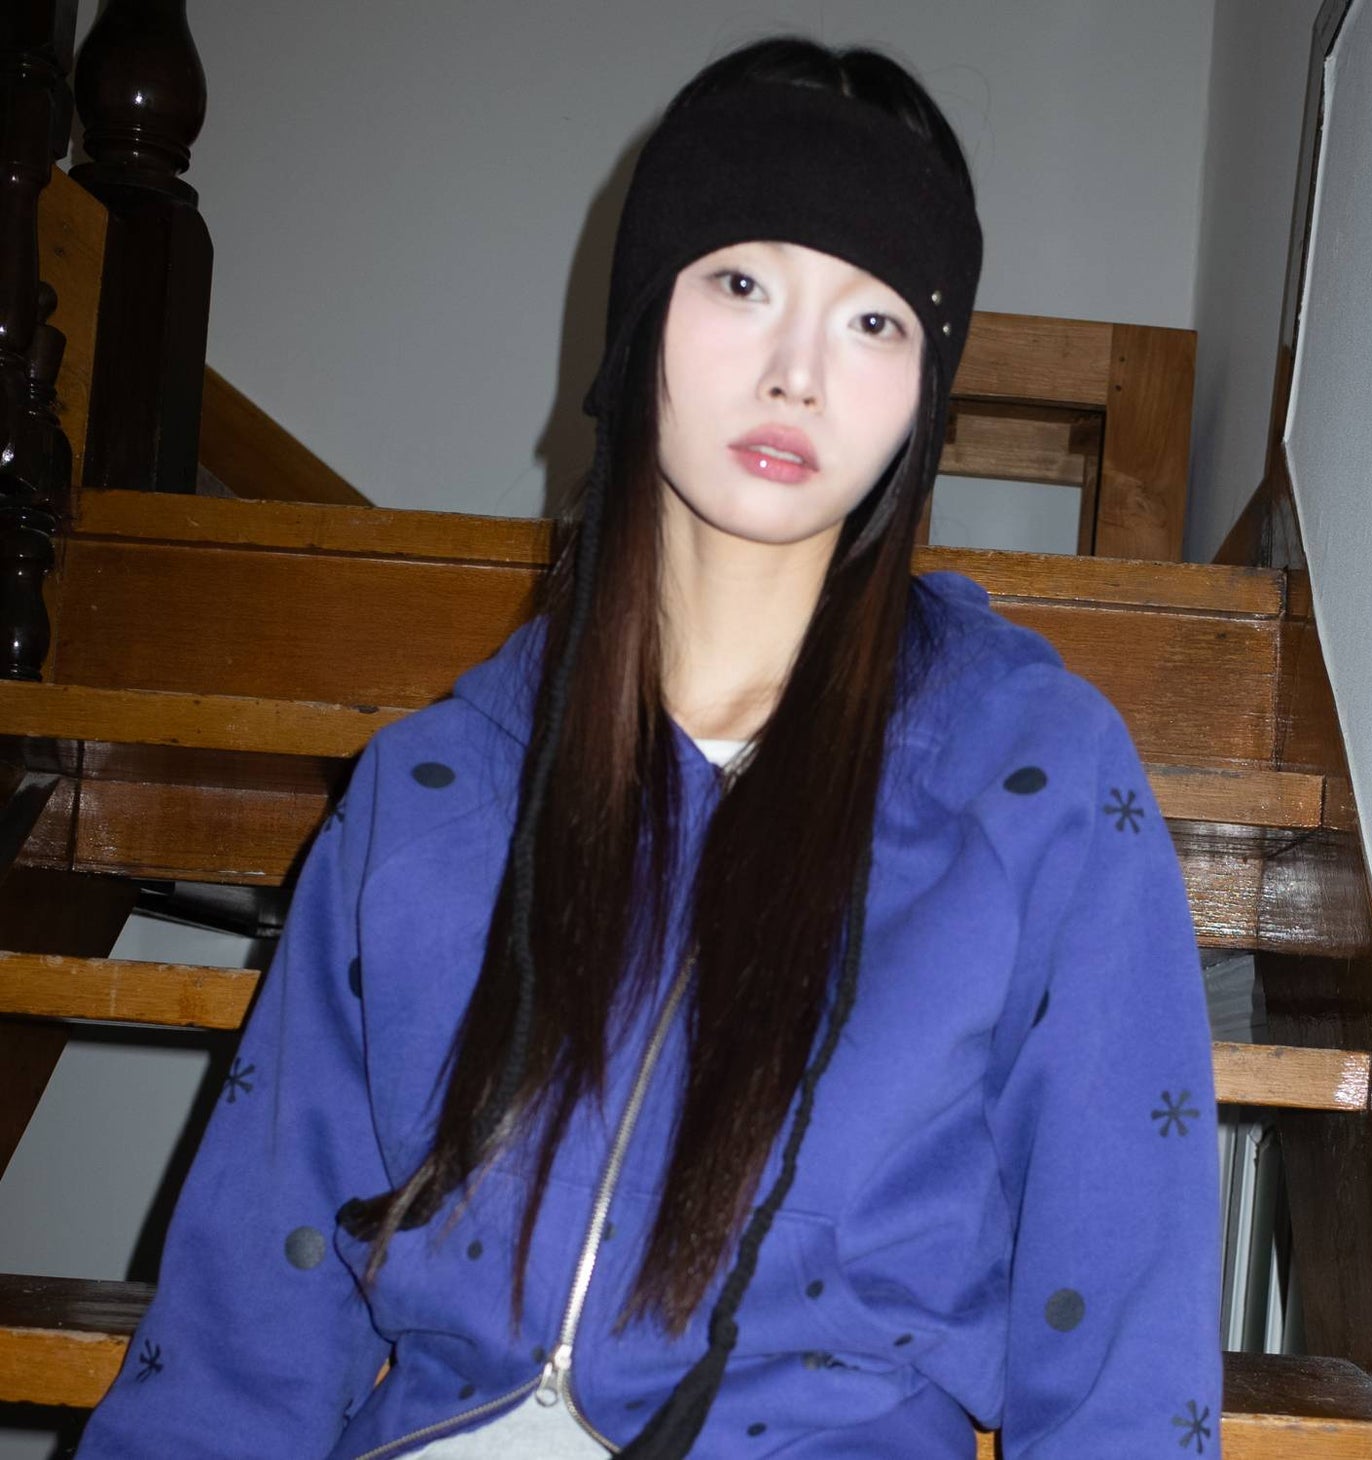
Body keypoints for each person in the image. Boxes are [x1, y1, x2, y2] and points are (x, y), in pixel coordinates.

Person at [75, 34, 1222, 1460]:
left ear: (924, 393)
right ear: (642, 314)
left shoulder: (1033, 783)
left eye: (875, 321)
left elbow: (1123, 1357)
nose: (798, 373)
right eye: (742, 283)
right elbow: (243, 1327)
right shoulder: (430, 792)